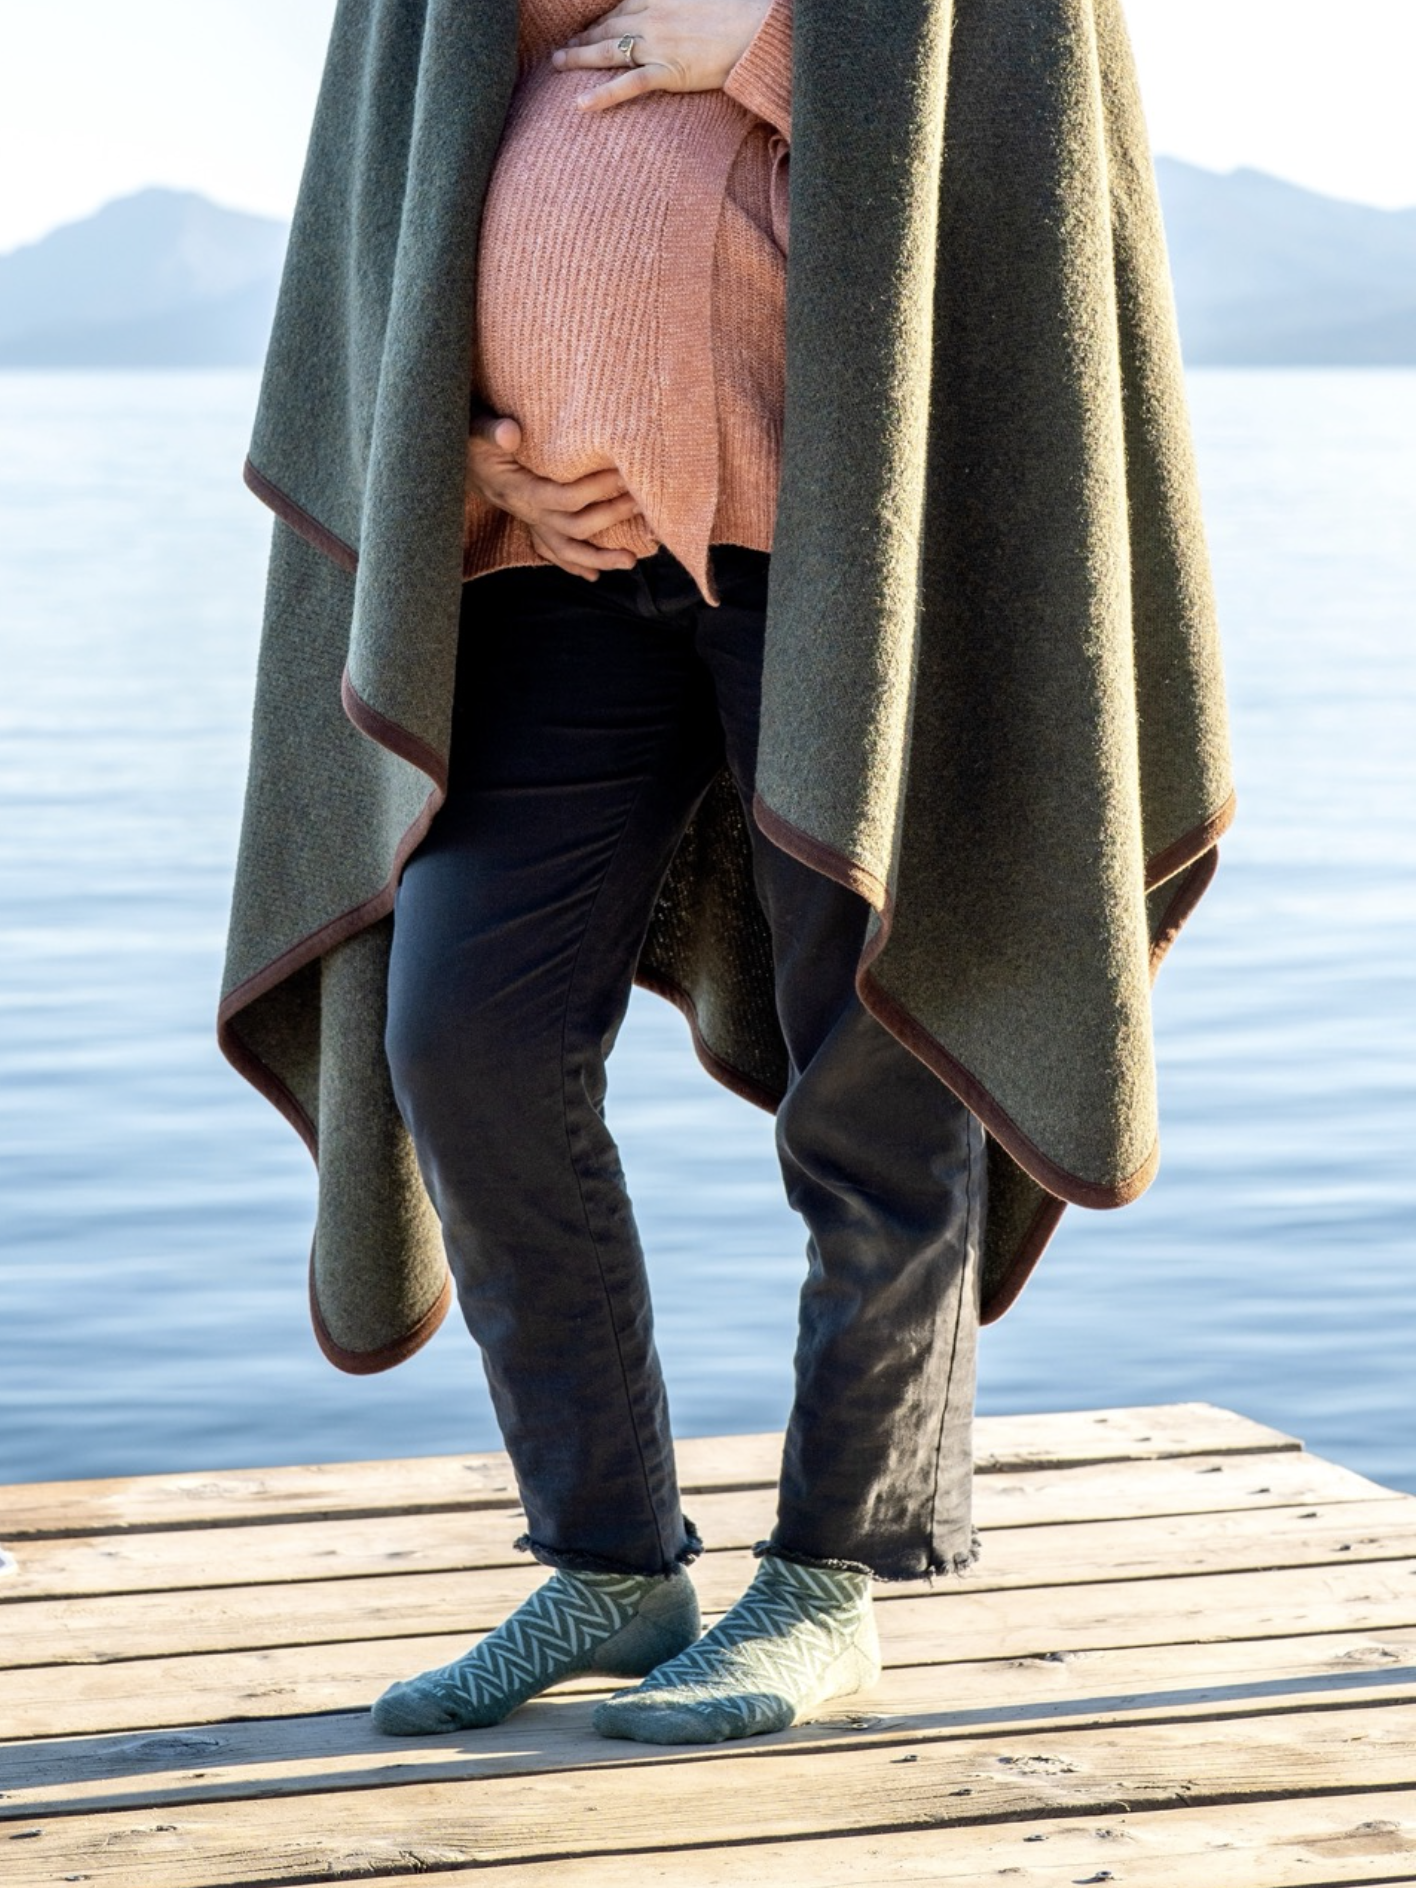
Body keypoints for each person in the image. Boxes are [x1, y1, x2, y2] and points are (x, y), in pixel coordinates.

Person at [221, 0, 1233, 1751]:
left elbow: (998, 123)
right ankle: (612, 1561)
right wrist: (448, 449)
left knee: (880, 1057)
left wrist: (768, 41)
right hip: (548, 559)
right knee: (460, 1034)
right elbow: (406, 166)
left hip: (854, 549)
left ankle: (835, 1577)